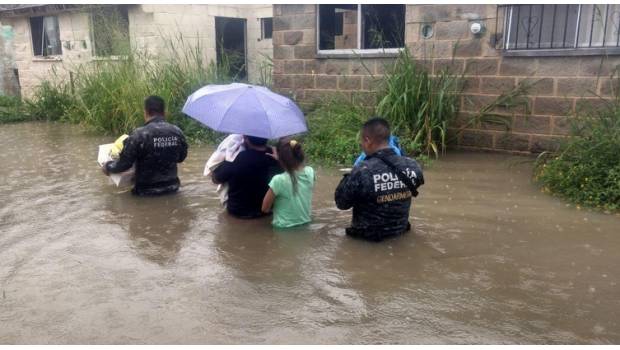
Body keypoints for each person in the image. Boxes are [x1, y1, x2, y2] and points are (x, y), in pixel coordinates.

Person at [335, 117, 424, 242]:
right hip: (400, 236)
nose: (361, 144)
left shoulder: (362, 171)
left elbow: (341, 203)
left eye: (361, 140)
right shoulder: (412, 166)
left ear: (367, 140)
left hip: (365, 242)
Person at [102, 96, 188, 196]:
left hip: (145, 193)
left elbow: (124, 164)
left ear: (146, 112)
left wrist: (107, 166)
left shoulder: (138, 135)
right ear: (164, 112)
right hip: (172, 189)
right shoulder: (177, 132)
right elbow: (181, 158)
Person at [212, 135, 281, 219]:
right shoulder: (276, 158)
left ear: (246, 139)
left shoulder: (235, 158)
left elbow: (216, 179)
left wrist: (227, 158)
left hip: (239, 214)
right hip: (268, 211)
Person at [261, 138, 315, 228]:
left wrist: (280, 160)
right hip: (305, 223)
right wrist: (282, 160)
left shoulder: (278, 180)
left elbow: (265, 209)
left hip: (283, 227)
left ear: (281, 159)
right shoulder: (310, 172)